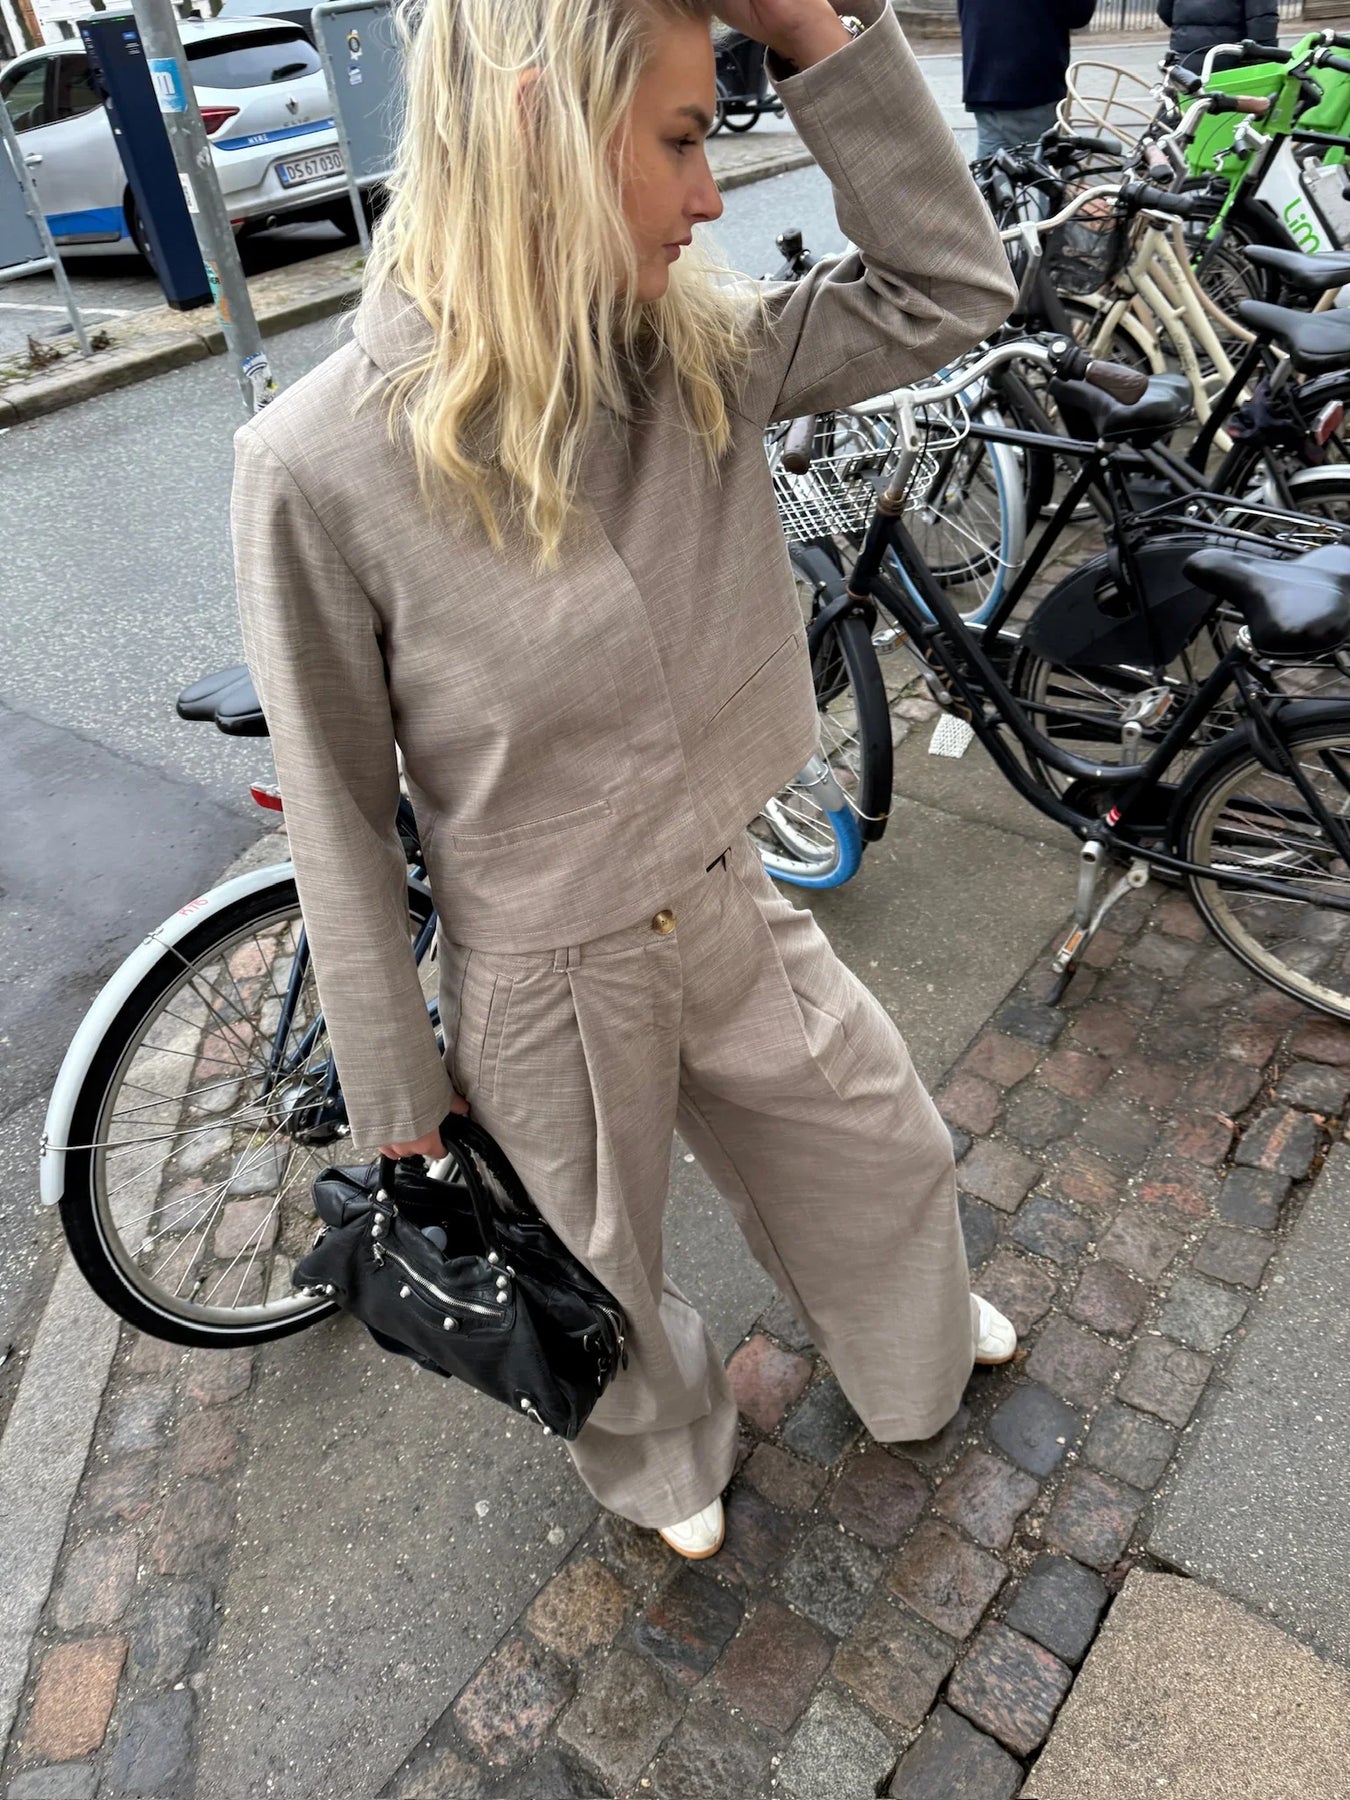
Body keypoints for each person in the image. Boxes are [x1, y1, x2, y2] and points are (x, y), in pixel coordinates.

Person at [231, 0, 1017, 1562]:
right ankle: (662, 1467)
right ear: (540, 128)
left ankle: (908, 1339)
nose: (713, 194)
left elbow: (948, 286)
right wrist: (400, 1096)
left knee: (880, 1148)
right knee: (601, 1269)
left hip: (724, 891)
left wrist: (810, 32)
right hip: (544, 969)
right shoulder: (314, 464)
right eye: (679, 140)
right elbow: (334, 808)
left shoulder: (692, 353)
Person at [957, 0, 1098, 160]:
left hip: (982, 74)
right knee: (1045, 164)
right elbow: (1078, 15)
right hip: (1031, 80)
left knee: (995, 164)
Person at [1156, 0, 1278, 64]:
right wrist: (1264, 56)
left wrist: (1185, 30)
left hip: (1184, 57)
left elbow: (1164, 10)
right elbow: (1263, 19)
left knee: (1186, 101)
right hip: (1228, 57)